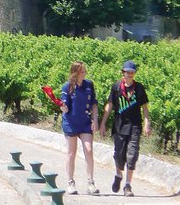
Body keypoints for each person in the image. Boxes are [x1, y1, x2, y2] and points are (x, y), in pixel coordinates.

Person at [99, 60, 151, 197]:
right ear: (123, 72)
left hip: (134, 126)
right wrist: (103, 123)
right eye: (128, 72)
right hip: (119, 126)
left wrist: (147, 123)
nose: (130, 74)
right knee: (119, 155)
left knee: (132, 155)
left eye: (132, 72)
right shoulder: (116, 87)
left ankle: (128, 185)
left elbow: (145, 108)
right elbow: (109, 105)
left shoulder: (139, 88)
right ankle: (118, 174)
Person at [60, 61, 99, 196]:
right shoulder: (67, 87)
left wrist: (95, 120)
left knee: (88, 149)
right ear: (75, 73)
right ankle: (70, 182)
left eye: (85, 71)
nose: (85, 73)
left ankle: (90, 182)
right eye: (82, 71)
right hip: (71, 123)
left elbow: (94, 104)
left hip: (85, 122)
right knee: (71, 152)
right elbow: (64, 107)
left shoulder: (89, 85)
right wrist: (63, 108)